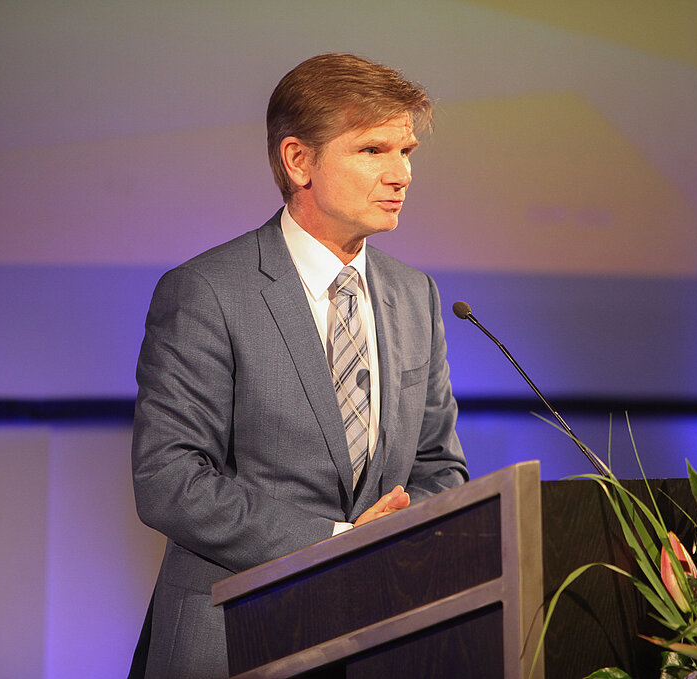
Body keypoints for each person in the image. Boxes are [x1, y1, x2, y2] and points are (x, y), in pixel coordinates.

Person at [130, 53, 469, 678]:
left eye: (407, 151)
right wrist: (342, 548)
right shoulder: (207, 291)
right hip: (236, 638)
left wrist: (396, 547)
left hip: (382, 642)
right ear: (298, 160)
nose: (402, 174)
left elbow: (439, 464)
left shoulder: (414, 294)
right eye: (373, 150)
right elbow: (170, 480)